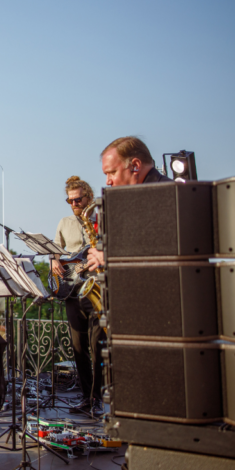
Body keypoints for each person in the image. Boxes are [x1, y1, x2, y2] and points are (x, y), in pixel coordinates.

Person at [51, 176, 105, 412]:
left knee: (98, 346)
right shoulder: (64, 222)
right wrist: (53, 261)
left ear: (89, 197)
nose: (74, 204)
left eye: (78, 200)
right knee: (79, 347)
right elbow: (55, 250)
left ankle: (98, 397)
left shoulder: (101, 219)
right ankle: (86, 397)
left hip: (96, 289)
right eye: (70, 201)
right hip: (73, 291)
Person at [86, 136, 172, 271]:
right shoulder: (136, 199)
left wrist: (109, 257)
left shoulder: (167, 193)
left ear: (135, 166)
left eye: (112, 172)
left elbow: (165, 248)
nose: (108, 181)